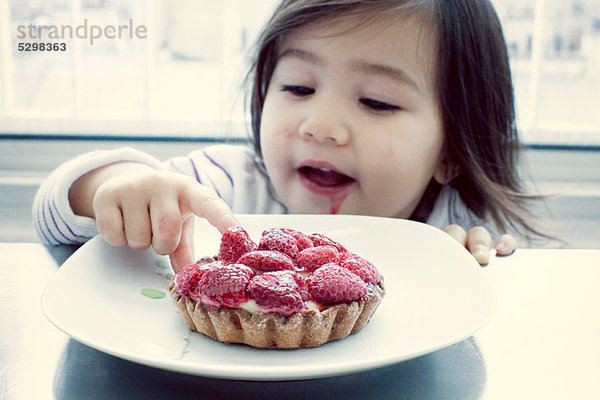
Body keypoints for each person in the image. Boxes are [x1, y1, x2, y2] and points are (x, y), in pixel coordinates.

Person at [33, 0, 545, 273]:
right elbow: (54, 213)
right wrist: (122, 185)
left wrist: (471, 262)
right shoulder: (224, 188)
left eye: (377, 101)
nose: (319, 125)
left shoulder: (445, 227)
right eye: (299, 87)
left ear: (453, 151)